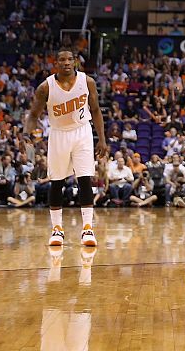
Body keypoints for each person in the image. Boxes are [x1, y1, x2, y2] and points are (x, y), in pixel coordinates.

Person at [25, 50, 108, 247]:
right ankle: (57, 229)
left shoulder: (87, 82)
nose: (66, 63)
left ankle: (87, 228)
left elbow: (95, 110)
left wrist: (102, 139)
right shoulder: (45, 87)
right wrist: (26, 135)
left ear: (75, 62)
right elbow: (33, 115)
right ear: (55, 63)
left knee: (85, 179)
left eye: (70, 59)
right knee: (56, 181)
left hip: (82, 131)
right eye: (62, 60)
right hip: (58, 133)